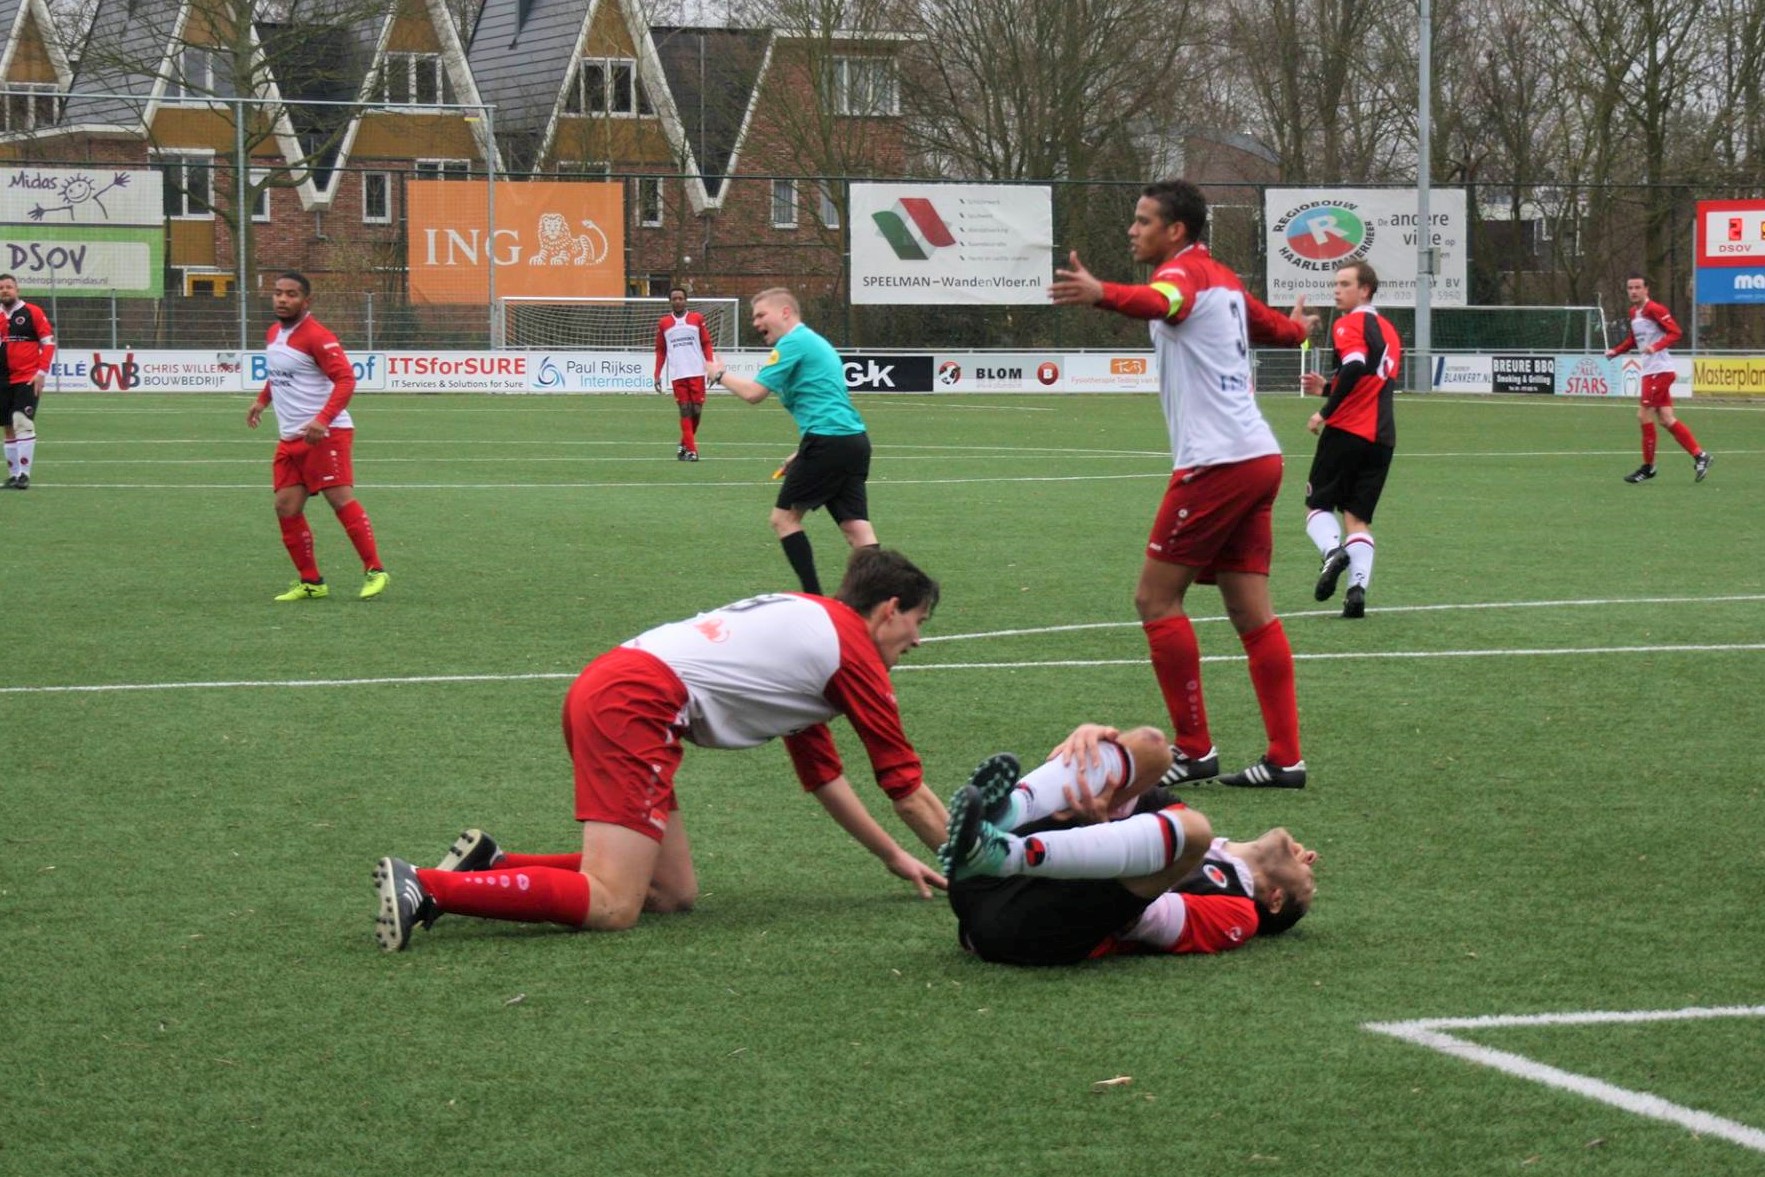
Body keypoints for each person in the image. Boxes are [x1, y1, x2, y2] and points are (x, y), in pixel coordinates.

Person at [370, 547, 950, 952]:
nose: (918, 640)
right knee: (614, 905)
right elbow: (906, 788)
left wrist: (892, 857)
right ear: (889, 610)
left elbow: (824, 778)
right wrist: (979, 870)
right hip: (636, 703)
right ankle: (427, 886)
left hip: (621, 687)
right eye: (918, 621)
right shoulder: (851, 653)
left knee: (670, 893)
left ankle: (492, 867)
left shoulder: (816, 627)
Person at [1050, 178, 1318, 790]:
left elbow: (1159, 303)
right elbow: (1273, 329)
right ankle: (1285, 758)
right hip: (1257, 458)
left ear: (1176, 231)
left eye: (1143, 220)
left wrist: (1101, 295)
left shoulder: (1182, 278)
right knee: (1251, 612)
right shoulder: (1222, 280)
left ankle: (1194, 750)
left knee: (1155, 600)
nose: (1131, 229)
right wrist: (1300, 330)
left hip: (1217, 464)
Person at [940, 723, 1317, 966]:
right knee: (1152, 747)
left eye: (1310, 880)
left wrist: (1103, 835)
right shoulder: (1182, 823)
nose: (1312, 860)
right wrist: (1095, 747)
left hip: (1019, 928)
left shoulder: (1240, 914)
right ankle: (1005, 815)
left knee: (1191, 832)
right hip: (977, 879)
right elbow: (1117, 790)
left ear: (1276, 899)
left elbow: (1142, 919)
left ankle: (1002, 852)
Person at [706, 288, 874, 597]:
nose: (756, 323)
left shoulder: (793, 343)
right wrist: (803, 451)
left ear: (785, 312)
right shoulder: (814, 342)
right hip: (851, 442)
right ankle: (886, 596)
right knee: (857, 530)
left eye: (761, 315)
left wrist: (719, 375)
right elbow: (829, 403)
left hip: (828, 442)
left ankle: (814, 598)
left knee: (784, 519)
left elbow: (754, 394)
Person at [246, 272, 390, 602]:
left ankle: (375, 569)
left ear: (306, 301)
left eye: (291, 294)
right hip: (291, 437)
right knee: (285, 506)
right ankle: (311, 582)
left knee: (339, 498)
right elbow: (279, 374)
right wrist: (261, 401)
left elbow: (346, 380)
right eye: (278, 293)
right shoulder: (274, 333)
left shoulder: (317, 336)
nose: (282, 299)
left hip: (326, 434)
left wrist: (322, 419)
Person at [1300, 262, 1402, 620]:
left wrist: (1325, 410)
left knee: (1317, 508)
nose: (1336, 290)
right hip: (1382, 438)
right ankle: (1356, 591)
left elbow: (1356, 365)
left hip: (1346, 432)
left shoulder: (1349, 324)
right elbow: (1369, 379)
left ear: (1365, 290)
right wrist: (1328, 386)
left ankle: (1333, 554)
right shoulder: (1390, 331)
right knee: (1357, 520)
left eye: (1345, 284)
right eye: (1336, 284)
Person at [1607, 273, 1711, 483]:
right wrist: (1615, 352)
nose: (1634, 291)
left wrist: (1656, 346)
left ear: (1646, 290)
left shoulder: (1655, 309)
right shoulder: (1634, 312)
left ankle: (1648, 467)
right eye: (1630, 287)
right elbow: (1633, 340)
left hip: (1660, 371)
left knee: (1643, 415)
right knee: (1665, 418)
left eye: (1638, 287)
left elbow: (1675, 332)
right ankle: (1700, 456)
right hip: (1650, 371)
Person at [0, 273, 56, 490]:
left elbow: (48, 342)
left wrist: (41, 371)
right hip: (2, 380)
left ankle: (24, 474)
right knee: (7, 427)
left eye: (9, 287)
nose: (5, 291)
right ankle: (13, 476)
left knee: (21, 421)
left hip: (26, 378)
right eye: (1, 288)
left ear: (17, 290)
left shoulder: (32, 312)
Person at [654, 285, 717, 462]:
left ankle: (684, 444)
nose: (678, 301)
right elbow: (660, 350)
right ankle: (692, 451)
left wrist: (710, 365)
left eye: (680, 298)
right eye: (674, 298)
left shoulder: (697, 318)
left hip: (697, 371)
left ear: (685, 300)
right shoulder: (664, 323)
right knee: (685, 410)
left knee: (696, 411)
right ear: (670, 301)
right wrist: (657, 373)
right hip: (678, 374)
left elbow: (706, 343)